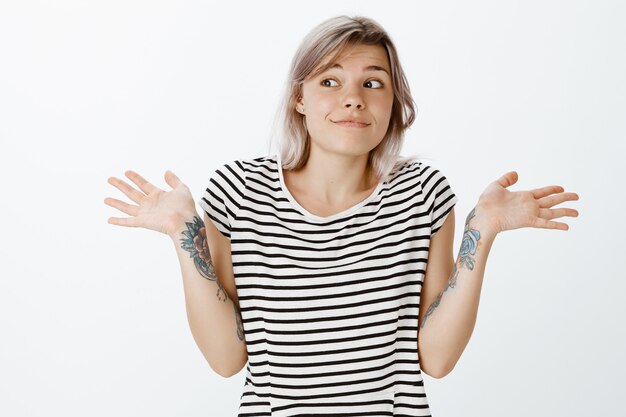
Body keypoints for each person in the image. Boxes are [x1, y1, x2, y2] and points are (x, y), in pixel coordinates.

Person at [104, 15, 580, 417]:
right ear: (299, 98)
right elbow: (226, 359)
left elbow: (435, 359)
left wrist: (482, 230)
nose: (353, 98)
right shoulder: (238, 192)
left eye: (373, 83)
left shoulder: (423, 194)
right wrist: (185, 236)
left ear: (394, 104)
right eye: (329, 81)